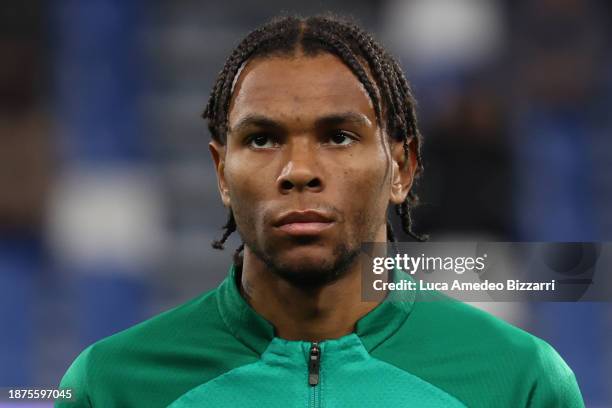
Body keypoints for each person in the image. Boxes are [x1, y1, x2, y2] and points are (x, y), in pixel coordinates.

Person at [57, 15, 584, 407]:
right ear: (221, 173)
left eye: (338, 136)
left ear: (401, 168)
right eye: (262, 139)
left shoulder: (521, 380)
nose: (298, 170)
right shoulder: (110, 386)